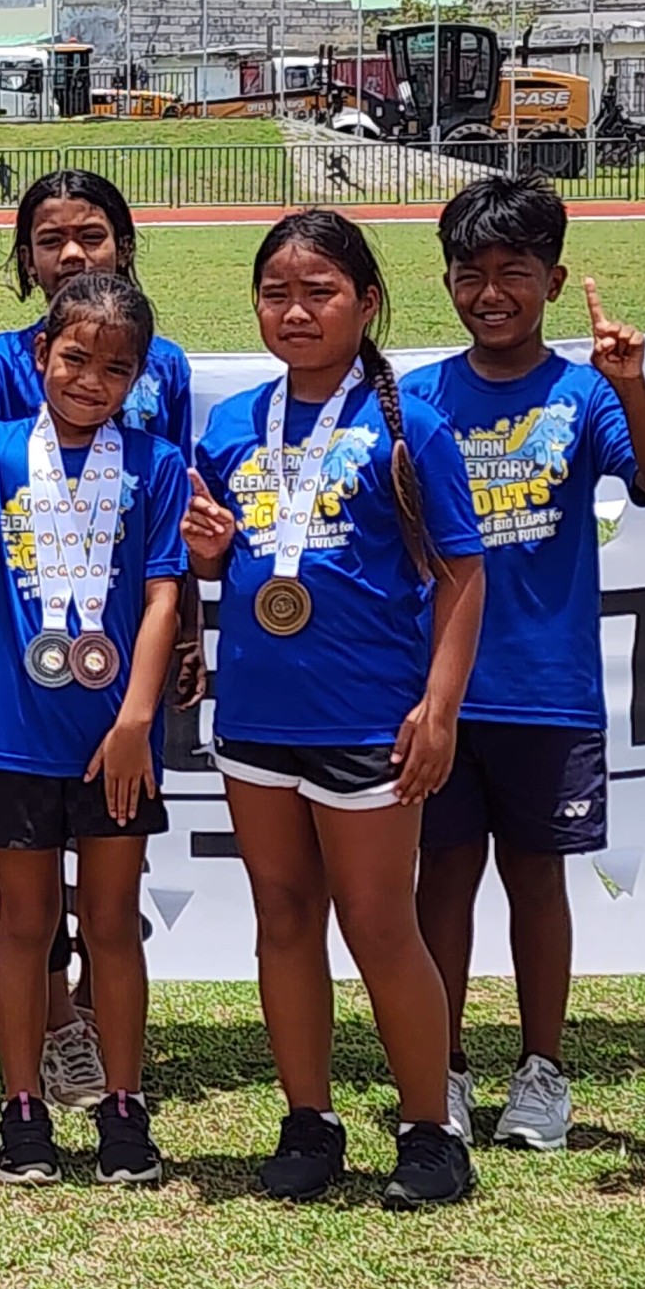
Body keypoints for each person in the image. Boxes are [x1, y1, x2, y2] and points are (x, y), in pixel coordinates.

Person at [183, 209, 487, 1209]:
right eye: (277, 292)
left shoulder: (410, 426)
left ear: (365, 302)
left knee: (377, 924)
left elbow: (461, 578)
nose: (296, 310)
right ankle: (307, 1119)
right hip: (257, 723)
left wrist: (437, 710)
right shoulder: (231, 426)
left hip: (368, 722)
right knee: (280, 918)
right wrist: (207, 549)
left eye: (320, 292)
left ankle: (430, 1128)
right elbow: (209, 562)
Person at [405, 176, 645, 1151]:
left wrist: (631, 384)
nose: (490, 293)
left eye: (513, 274)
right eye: (469, 274)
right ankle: (438, 1068)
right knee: (440, 877)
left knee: (537, 879)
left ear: (554, 281)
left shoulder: (581, 393)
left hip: (547, 687)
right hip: (438, 694)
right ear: (445, 282)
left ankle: (541, 1070)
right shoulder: (415, 399)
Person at [0, 276, 188, 1186]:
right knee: (23, 925)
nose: (91, 381)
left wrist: (138, 720)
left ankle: (122, 1102)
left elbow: (161, 595)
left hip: (115, 734)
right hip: (16, 728)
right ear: (40, 358)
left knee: (113, 924)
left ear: (137, 377)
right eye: (74, 358)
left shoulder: (154, 462)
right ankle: (22, 1103)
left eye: (116, 367)